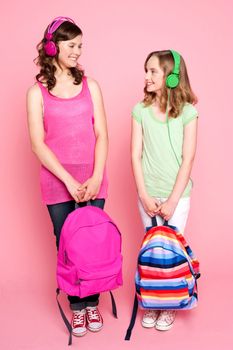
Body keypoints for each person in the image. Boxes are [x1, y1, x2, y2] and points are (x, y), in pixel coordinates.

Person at [27, 16, 108, 337]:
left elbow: (102, 134)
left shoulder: (92, 86)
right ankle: (77, 307)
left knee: (92, 245)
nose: (78, 51)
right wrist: (69, 181)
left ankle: (92, 303)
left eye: (80, 45)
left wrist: (97, 176)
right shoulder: (36, 92)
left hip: (93, 180)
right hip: (57, 185)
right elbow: (37, 144)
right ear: (52, 46)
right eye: (72, 45)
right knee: (67, 246)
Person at [131, 50, 198, 331]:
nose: (146, 76)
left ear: (171, 77)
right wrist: (145, 195)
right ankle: (153, 301)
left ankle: (170, 305)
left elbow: (188, 158)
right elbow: (135, 155)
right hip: (148, 194)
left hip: (176, 197)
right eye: (146, 71)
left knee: (171, 255)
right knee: (152, 254)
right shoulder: (140, 110)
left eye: (153, 71)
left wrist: (172, 200)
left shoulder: (188, 112)